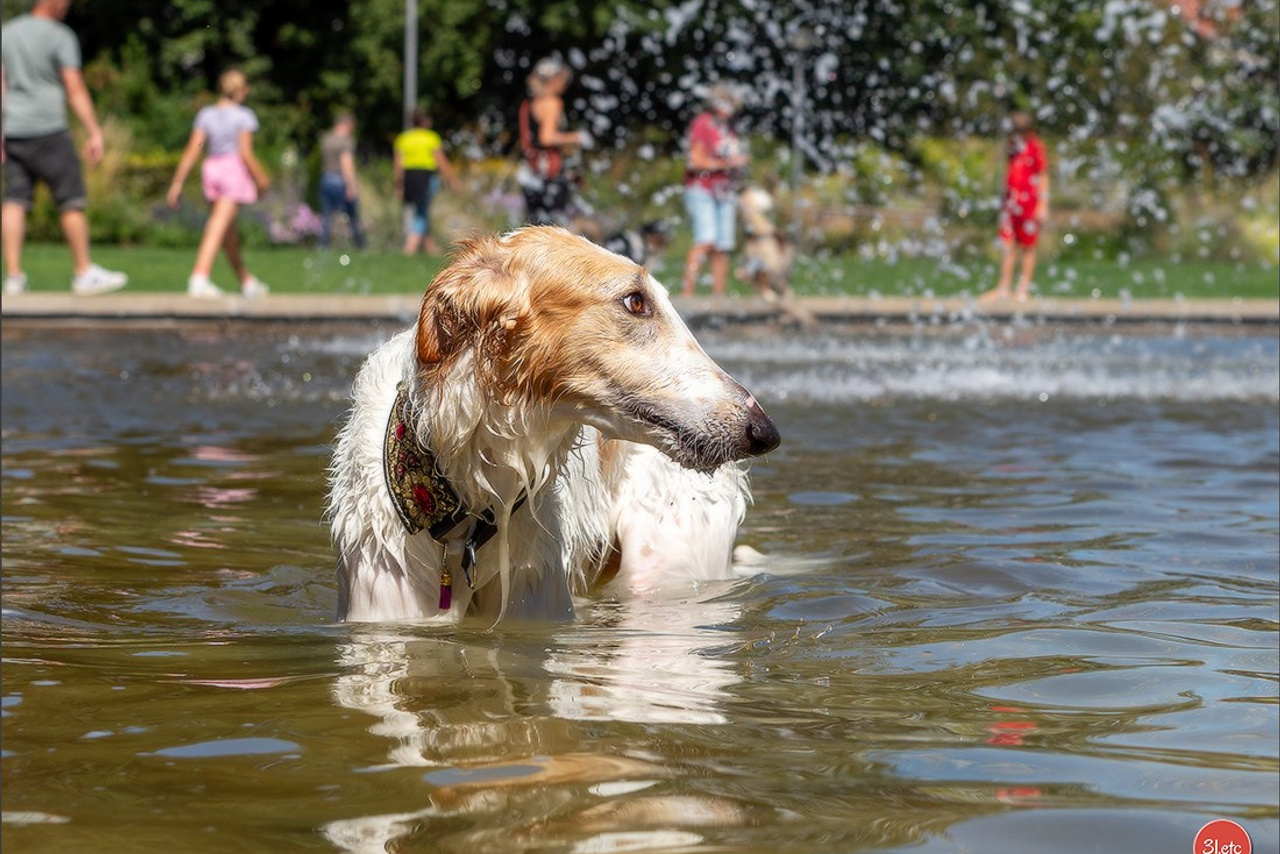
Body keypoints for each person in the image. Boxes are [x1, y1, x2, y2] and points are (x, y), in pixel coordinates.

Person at [1, 0, 128, 296]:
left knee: (14, 200)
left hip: (14, 128)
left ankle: (14, 277)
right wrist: (94, 131)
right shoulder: (60, 36)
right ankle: (83, 271)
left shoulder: (7, 33)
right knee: (70, 198)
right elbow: (75, 88)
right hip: (48, 128)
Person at [167, 68, 271, 298]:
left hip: (212, 170)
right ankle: (199, 277)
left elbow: (192, 151)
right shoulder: (244, 116)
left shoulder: (206, 114)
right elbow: (245, 153)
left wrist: (177, 183)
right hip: (233, 171)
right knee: (217, 227)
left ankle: (246, 281)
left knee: (227, 232)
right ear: (240, 90)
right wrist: (261, 179)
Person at [681, 84, 748, 297]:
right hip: (702, 189)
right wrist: (727, 164)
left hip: (725, 191)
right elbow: (695, 161)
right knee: (706, 240)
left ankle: (718, 296)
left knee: (723, 247)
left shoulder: (729, 128)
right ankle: (686, 295)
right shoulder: (703, 124)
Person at [980, 110, 1050, 303]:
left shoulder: (1036, 147)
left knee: (1028, 246)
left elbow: (1043, 175)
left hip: (1030, 204)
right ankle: (1003, 287)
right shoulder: (1013, 146)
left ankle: (1022, 289)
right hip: (1011, 204)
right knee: (1007, 244)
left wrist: (1043, 204)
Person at [517, 57, 591, 227]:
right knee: (552, 229)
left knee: (533, 228)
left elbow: (529, 141)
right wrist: (576, 137)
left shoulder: (528, 104)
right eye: (564, 79)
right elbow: (547, 137)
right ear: (555, 79)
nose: (565, 84)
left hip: (531, 173)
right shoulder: (552, 102)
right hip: (550, 174)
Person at [393, 110, 459, 256]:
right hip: (426, 177)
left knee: (421, 210)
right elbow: (441, 161)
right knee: (421, 213)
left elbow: (398, 163)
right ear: (425, 122)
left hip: (409, 177)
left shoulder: (403, 138)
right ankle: (409, 249)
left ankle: (430, 247)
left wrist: (398, 183)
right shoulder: (431, 138)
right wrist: (451, 179)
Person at [317, 112, 366, 250]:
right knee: (352, 216)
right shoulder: (346, 141)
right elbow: (347, 163)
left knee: (327, 217)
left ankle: (323, 246)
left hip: (326, 179)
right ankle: (360, 246)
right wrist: (351, 186)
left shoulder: (326, 139)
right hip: (340, 181)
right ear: (347, 124)